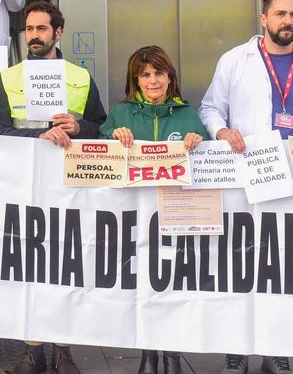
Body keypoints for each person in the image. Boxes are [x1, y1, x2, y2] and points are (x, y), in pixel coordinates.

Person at [199, 0, 293, 374]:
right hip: (248, 175)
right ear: (264, 19)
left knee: (283, 267)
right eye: (280, 14)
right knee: (240, 264)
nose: (287, 21)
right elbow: (210, 107)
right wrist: (222, 131)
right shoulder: (235, 60)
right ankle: (237, 350)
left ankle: (277, 349)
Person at [0, 1, 106, 374]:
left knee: (67, 267)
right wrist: (40, 134)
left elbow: (100, 126)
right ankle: (31, 350)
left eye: (41, 29)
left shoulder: (81, 78)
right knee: (30, 268)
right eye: (29, 30)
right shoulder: (8, 78)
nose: (34, 36)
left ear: (58, 32)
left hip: (71, 187)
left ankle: (63, 350)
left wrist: (78, 128)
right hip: (24, 186)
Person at [97, 45, 206, 374]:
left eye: (159, 72)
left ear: (169, 76)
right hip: (135, 219)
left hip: (177, 215)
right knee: (142, 288)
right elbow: (98, 152)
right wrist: (113, 136)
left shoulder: (188, 115)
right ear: (136, 79)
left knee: (172, 286)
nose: (153, 80)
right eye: (145, 74)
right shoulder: (121, 113)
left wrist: (198, 141)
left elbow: (208, 156)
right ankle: (147, 354)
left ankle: (171, 355)